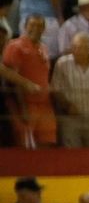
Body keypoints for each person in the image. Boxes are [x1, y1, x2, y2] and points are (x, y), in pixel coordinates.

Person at [3, 15, 57, 147]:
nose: (36, 28)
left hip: (44, 104)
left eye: (39, 25)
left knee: (48, 142)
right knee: (27, 147)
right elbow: (12, 79)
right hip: (26, 104)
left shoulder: (43, 47)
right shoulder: (15, 46)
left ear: (44, 29)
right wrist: (23, 108)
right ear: (25, 26)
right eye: (32, 25)